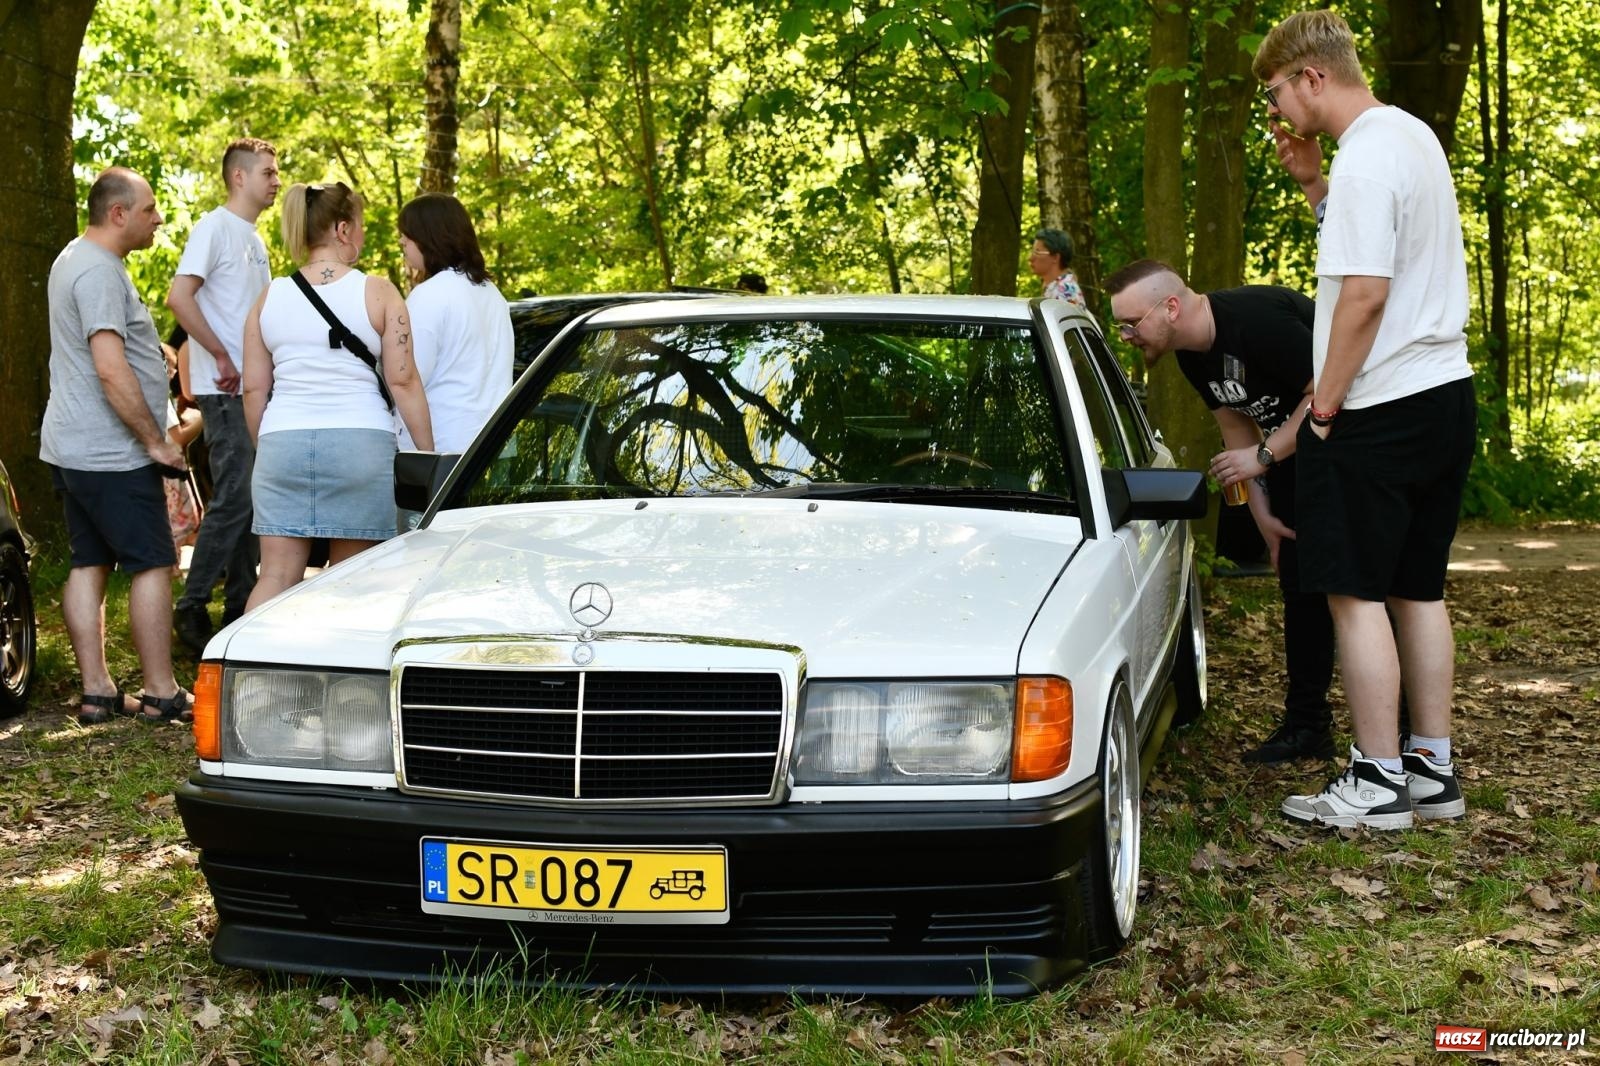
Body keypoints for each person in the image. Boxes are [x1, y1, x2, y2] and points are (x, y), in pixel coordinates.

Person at [1256, 10, 1475, 830]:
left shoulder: (1364, 162)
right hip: (1445, 391)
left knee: (1352, 593)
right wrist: (1314, 188)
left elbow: (1366, 294)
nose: (1278, 110)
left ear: (1312, 77)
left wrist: (1324, 408)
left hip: (1379, 404)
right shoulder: (1408, 138)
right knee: (1417, 589)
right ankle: (1431, 769)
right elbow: (1388, 262)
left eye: (1278, 92)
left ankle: (1377, 781)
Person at [1105, 260, 1335, 765]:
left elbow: (1327, 391)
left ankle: (1404, 734)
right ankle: (1308, 727)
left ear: (1170, 307)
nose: (1124, 335)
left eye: (1130, 322)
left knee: (1361, 593)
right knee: (1298, 590)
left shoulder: (1257, 322)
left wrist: (1265, 456)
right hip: (1293, 457)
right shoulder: (1192, 355)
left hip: (1351, 447)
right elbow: (1236, 430)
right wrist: (1264, 518)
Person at [40, 167, 192, 725]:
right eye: (150, 209)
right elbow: (110, 367)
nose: (157, 218)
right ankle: (160, 691)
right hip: (110, 451)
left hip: (72, 446)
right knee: (153, 562)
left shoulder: (72, 259)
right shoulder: (99, 271)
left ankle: (98, 691)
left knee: (89, 561)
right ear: (119, 213)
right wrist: (154, 442)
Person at [241, 181, 434, 612]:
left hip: (282, 443)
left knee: (274, 578)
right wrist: (429, 455)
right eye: (361, 225)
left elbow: (254, 389)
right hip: (359, 445)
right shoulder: (379, 292)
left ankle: (254, 674)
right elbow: (403, 382)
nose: (363, 235)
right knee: (355, 585)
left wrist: (267, 449)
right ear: (343, 229)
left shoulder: (268, 296)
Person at [167, 137, 280, 653]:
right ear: (239, 177)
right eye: (268, 172)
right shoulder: (214, 228)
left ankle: (239, 607)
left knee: (252, 499)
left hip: (255, 390)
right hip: (225, 389)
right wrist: (220, 355)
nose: (276, 180)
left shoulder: (254, 240)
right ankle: (190, 607)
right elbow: (179, 298)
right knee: (237, 495)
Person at [395, 192, 513, 454]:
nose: (402, 240)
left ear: (430, 236)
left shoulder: (429, 295)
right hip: (494, 445)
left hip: (445, 447)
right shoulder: (491, 293)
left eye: (407, 233)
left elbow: (408, 375)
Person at [1028, 228, 1086, 309]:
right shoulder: (1055, 287)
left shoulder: (1064, 292)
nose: (1030, 258)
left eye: (1037, 252)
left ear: (1055, 257)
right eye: (1032, 252)